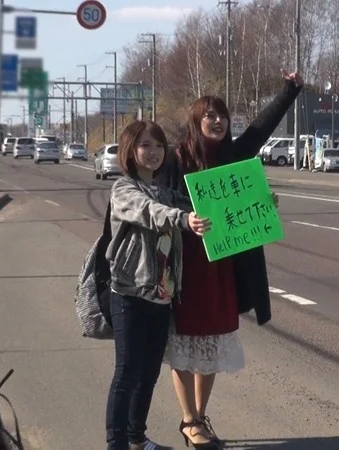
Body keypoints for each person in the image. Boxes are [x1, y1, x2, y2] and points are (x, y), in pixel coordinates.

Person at [155, 69, 303, 448]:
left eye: (221, 115)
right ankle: (189, 420)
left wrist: (290, 90)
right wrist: (190, 214)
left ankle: (201, 416)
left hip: (222, 269)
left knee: (213, 342)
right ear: (195, 121)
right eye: (209, 115)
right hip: (186, 268)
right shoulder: (177, 158)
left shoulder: (236, 156)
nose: (217, 121)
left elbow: (259, 130)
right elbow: (161, 200)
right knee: (184, 343)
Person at [105, 120, 211, 450]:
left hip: (162, 297)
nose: (153, 152)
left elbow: (204, 208)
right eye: (145, 145)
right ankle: (116, 444)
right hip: (129, 293)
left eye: (158, 145)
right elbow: (149, 212)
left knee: (149, 374)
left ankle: (137, 439)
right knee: (127, 373)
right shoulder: (123, 189)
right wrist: (182, 219)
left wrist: (260, 205)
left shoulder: (166, 192)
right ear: (130, 151)